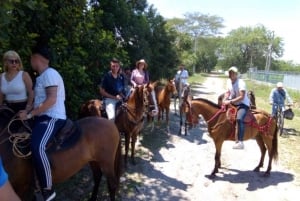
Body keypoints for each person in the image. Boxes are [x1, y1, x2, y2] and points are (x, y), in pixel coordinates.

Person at [19, 46, 67, 201]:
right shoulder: (41, 77)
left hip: (52, 116)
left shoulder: (50, 74)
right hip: (41, 116)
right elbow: (39, 100)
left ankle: (47, 188)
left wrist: (31, 114)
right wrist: (26, 112)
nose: (30, 62)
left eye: (31, 59)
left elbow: (51, 99)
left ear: (36, 58)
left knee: (37, 146)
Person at [223, 66, 250, 149]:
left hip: (242, 104)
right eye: (230, 73)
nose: (232, 75)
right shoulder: (228, 81)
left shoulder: (241, 83)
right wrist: (225, 98)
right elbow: (228, 91)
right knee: (221, 112)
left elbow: (242, 97)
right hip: (233, 103)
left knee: (239, 119)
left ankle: (240, 142)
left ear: (236, 74)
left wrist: (230, 101)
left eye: (233, 73)